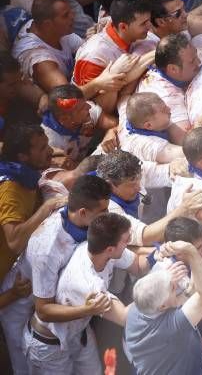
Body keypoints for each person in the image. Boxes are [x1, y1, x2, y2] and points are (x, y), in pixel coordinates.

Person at [0, 175, 109, 375]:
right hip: (20, 302)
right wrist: (87, 310)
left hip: (52, 307)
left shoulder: (77, 215)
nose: (107, 215)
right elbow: (44, 310)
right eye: (103, 211)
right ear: (83, 212)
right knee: (23, 365)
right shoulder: (48, 248)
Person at [26, 212, 149, 375]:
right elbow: (126, 317)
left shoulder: (100, 250)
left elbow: (139, 265)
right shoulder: (88, 284)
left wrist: (163, 254)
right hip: (49, 346)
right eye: (126, 240)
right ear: (110, 249)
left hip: (78, 333)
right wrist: (157, 288)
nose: (129, 243)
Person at [125, 239, 202, 375]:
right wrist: (192, 252)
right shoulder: (173, 326)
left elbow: (186, 296)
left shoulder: (137, 308)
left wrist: (167, 279)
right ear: (162, 306)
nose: (175, 284)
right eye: (173, 287)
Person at [0, 124, 64, 282]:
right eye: (43, 148)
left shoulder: (22, 171)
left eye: (48, 144)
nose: (50, 151)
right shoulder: (10, 189)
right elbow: (14, 242)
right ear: (22, 156)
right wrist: (47, 207)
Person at [136, 33, 201, 134]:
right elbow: (186, 139)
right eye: (192, 61)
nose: (199, 62)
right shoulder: (168, 97)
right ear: (173, 69)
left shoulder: (163, 67)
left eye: (196, 55)